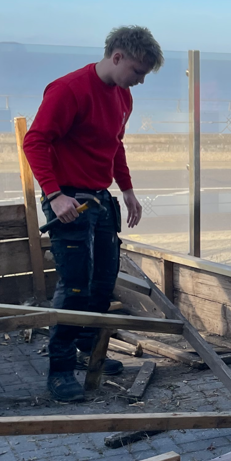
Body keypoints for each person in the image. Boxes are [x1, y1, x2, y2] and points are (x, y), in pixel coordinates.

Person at [22, 25, 163, 402]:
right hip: (68, 199)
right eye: (137, 72)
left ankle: (88, 348)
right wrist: (54, 195)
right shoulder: (68, 90)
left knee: (102, 282)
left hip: (100, 200)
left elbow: (115, 145)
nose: (140, 81)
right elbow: (34, 142)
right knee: (75, 286)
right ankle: (60, 370)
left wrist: (127, 189)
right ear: (117, 57)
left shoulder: (123, 96)